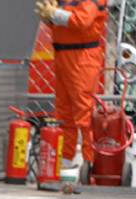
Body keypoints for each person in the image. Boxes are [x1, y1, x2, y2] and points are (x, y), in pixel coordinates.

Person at [35, 0, 108, 173]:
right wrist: (50, 18)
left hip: (82, 58)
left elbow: (82, 21)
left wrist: (54, 14)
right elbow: (62, 24)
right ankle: (65, 160)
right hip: (64, 56)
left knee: (84, 113)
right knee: (64, 112)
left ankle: (90, 164)